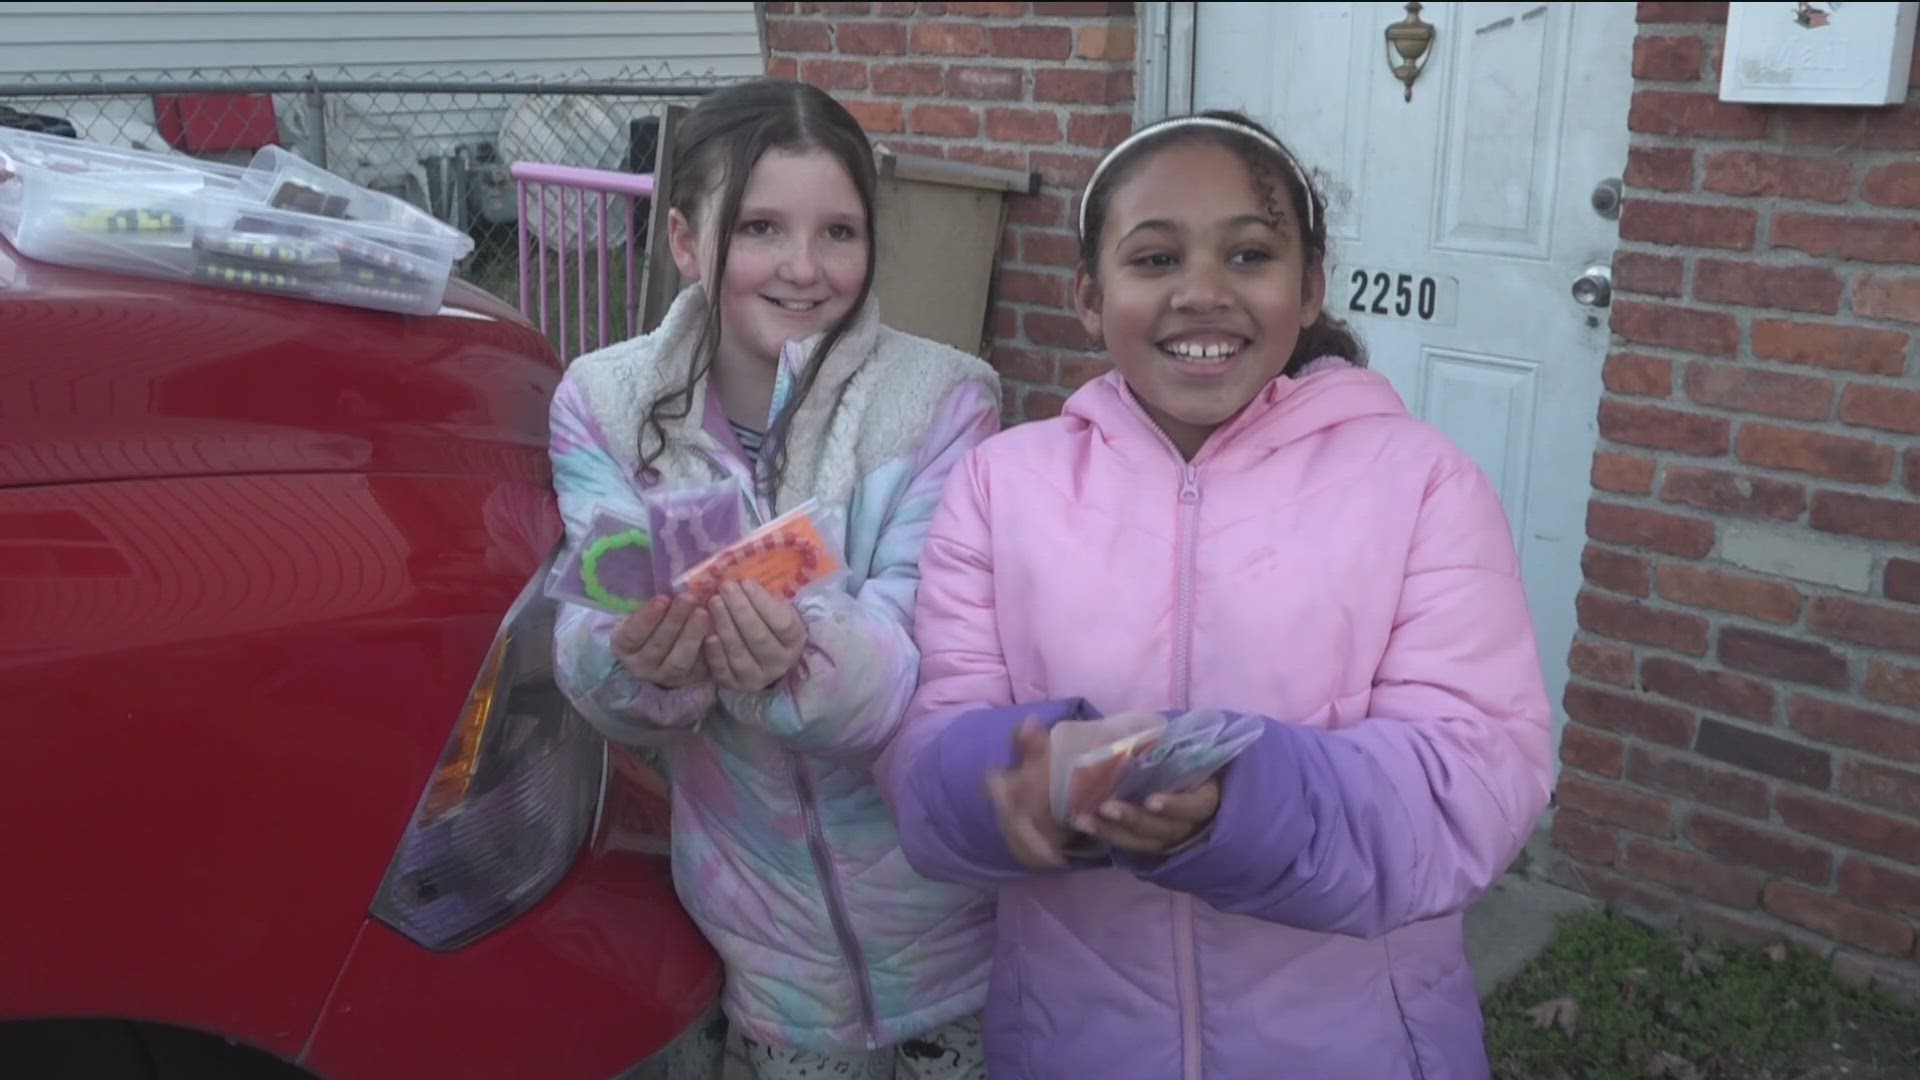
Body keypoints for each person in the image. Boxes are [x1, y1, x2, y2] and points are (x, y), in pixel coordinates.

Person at [876, 109, 1553, 1079]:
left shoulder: (1422, 483)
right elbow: (925, 760)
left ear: (1311, 286)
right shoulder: (1000, 488)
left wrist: (1244, 804)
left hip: (1358, 1045)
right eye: (1153, 260)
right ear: (1087, 295)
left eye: (1248, 254)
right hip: (1074, 1042)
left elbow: (1473, 784)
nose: (1202, 293)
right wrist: (1012, 784)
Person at [548, 78, 999, 1079]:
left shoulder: (944, 400)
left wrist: (805, 656)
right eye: (759, 227)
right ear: (683, 239)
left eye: (839, 232)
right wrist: (636, 666)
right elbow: (590, 620)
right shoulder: (605, 405)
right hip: (767, 953)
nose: (804, 269)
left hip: (956, 937)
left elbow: (925, 659)